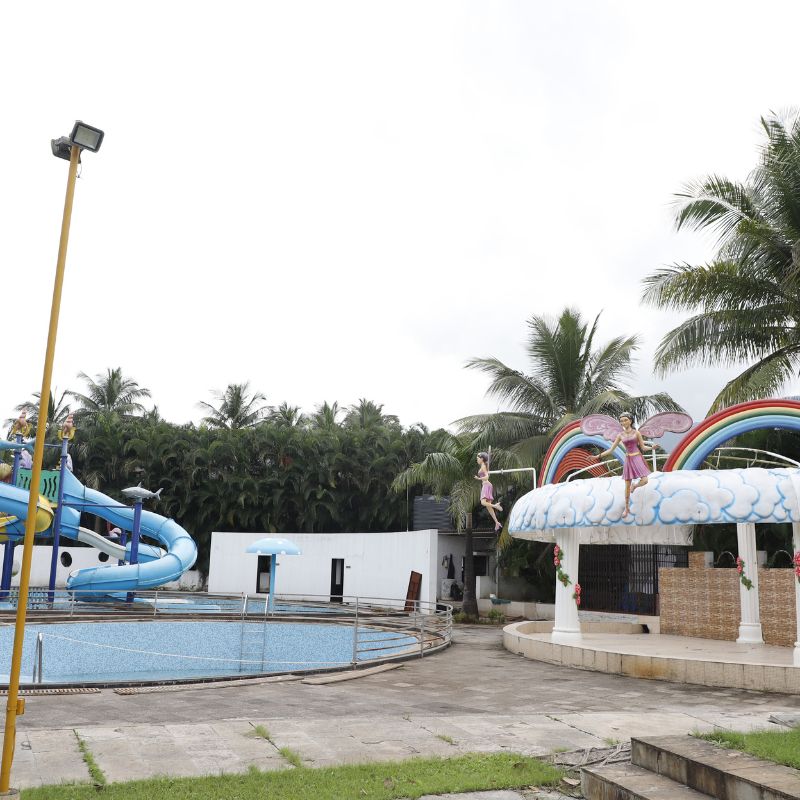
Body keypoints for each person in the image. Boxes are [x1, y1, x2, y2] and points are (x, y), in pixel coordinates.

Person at [600, 412, 654, 518]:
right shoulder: (620, 435)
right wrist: (597, 456)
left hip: (637, 457)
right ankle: (626, 508)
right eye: (621, 421)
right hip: (628, 459)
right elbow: (611, 450)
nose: (623, 422)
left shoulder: (637, 433)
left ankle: (635, 486)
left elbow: (643, 447)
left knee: (645, 480)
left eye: (625, 420)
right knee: (627, 485)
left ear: (630, 421)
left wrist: (652, 448)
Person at [475, 451, 503, 531]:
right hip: (488, 485)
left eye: (478, 458)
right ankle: (496, 522)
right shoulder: (484, 465)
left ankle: (495, 506)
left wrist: (479, 478)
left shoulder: (483, 466)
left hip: (486, 485)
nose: (477, 459)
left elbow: (487, 477)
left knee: (483, 502)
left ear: (482, 459)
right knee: (488, 507)